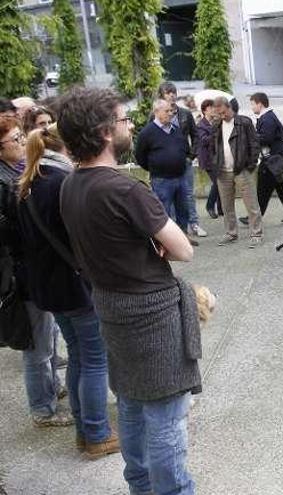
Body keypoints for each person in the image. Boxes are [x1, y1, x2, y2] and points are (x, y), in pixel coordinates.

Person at [57, 87, 199, 494]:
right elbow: (183, 249)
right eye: (122, 120)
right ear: (104, 132)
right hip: (150, 313)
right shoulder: (124, 189)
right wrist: (155, 244)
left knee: (133, 405)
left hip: (111, 306)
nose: (129, 125)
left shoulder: (72, 185)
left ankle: (140, 485)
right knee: (166, 417)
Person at [16, 125, 118, 458]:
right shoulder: (61, 181)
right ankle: (96, 433)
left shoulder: (30, 180)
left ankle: (85, 430)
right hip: (74, 285)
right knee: (93, 360)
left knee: (79, 356)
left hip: (50, 286)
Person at [0, 115, 71, 428]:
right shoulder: (3, 181)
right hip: (21, 274)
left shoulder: (17, 170)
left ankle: (52, 387)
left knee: (48, 334)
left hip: (32, 268)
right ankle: (42, 409)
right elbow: (12, 233)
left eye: (20, 136)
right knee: (36, 346)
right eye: (13, 139)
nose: (20, 143)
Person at [136, 99, 198, 246]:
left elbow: (185, 147)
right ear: (156, 112)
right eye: (167, 111)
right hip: (162, 180)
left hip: (181, 177)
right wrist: (155, 169)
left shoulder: (176, 130)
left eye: (171, 111)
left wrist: (186, 158)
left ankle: (182, 238)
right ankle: (165, 243)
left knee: (183, 210)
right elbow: (140, 156)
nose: (170, 114)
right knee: (163, 213)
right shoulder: (147, 133)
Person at [213, 96, 263, 248]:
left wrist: (250, 165)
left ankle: (256, 233)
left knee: (251, 203)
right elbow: (213, 146)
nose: (222, 116)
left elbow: (255, 144)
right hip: (223, 171)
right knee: (226, 205)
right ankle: (230, 233)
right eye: (218, 114)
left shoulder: (244, 122)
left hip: (242, 170)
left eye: (223, 112)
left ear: (229, 107)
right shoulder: (216, 125)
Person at [158, 82, 207, 238]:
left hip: (183, 160)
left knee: (188, 193)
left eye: (173, 92)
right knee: (168, 194)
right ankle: (173, 228)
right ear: (162, 95)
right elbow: (149, 136)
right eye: (168, 92)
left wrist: (191, 156)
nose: (172, 95)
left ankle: (194, 223)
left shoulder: (185, 114)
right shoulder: (156, 114)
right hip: (165, 162)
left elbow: (196, 135)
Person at [246, 92, 283, 225]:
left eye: (253, 104)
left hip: (275, 157)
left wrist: (251, 137)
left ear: (260, 103)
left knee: (263, 186)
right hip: (280, 155)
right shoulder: (267, 117)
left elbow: (266, 138)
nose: (252, 107)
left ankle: (254, 218)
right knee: (282, 185)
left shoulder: (267, 118)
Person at [197, 98, 222, 219]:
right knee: (218, 183)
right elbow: (204, 141)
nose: (213, 110)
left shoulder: (215, 122)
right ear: (204, 111)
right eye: (210, 108)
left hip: (217, 158)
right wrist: (215, 130)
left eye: (214, 107)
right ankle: (210, 206)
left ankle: (221, 209)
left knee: (221, 181)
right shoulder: (201, 125)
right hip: (208, 159)